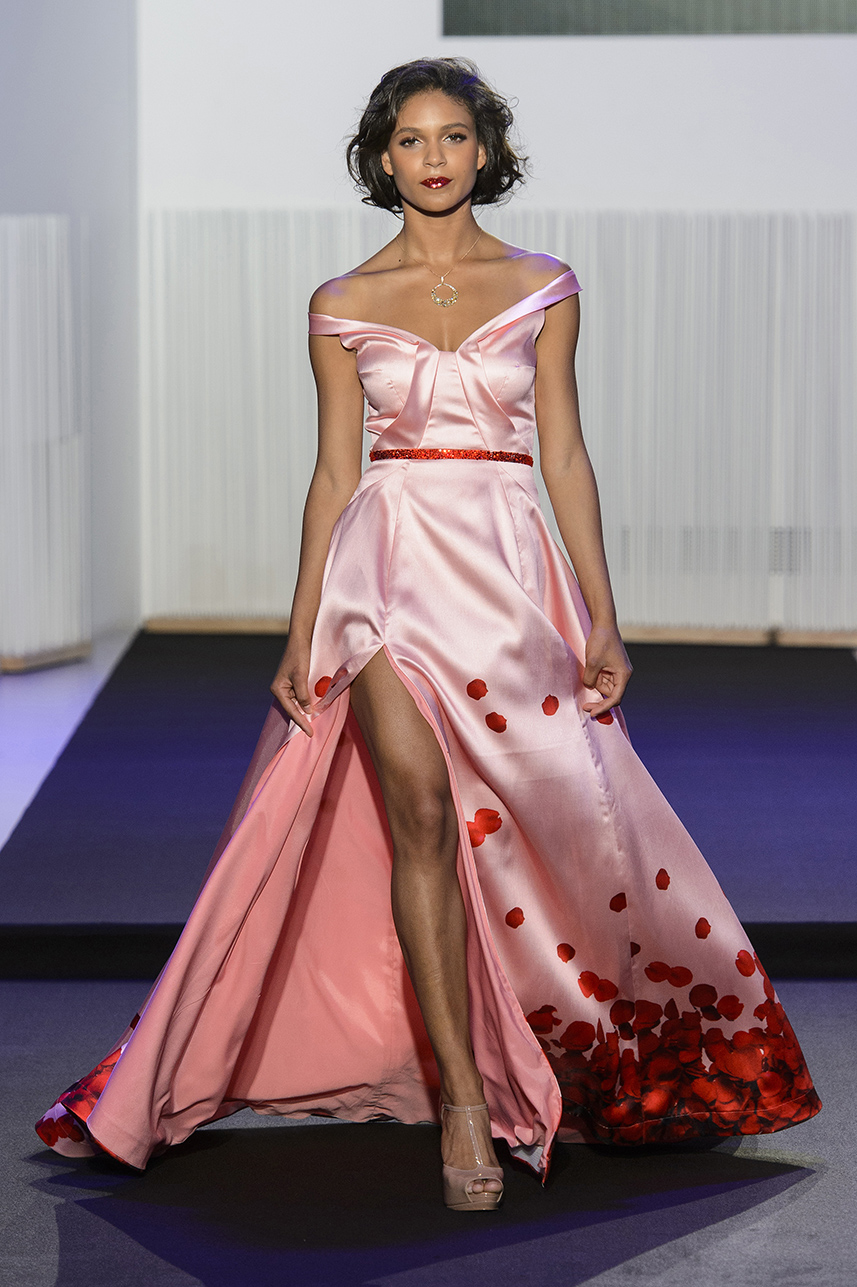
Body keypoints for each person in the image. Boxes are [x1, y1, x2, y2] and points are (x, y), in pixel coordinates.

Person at [36, 58, 820, 1213]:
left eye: (453, 136)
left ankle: (588, 1043)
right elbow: (330, 476)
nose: (434, 157)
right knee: (417, 812)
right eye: (410, 139)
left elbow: (563, 454)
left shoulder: (543, 284)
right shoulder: (340, 300)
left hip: (507, 572)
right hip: (386, 572)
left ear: (484, 152)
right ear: (381, 159)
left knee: (561, 823)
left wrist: (604, 612)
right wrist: (300, 632)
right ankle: (461, 1095)